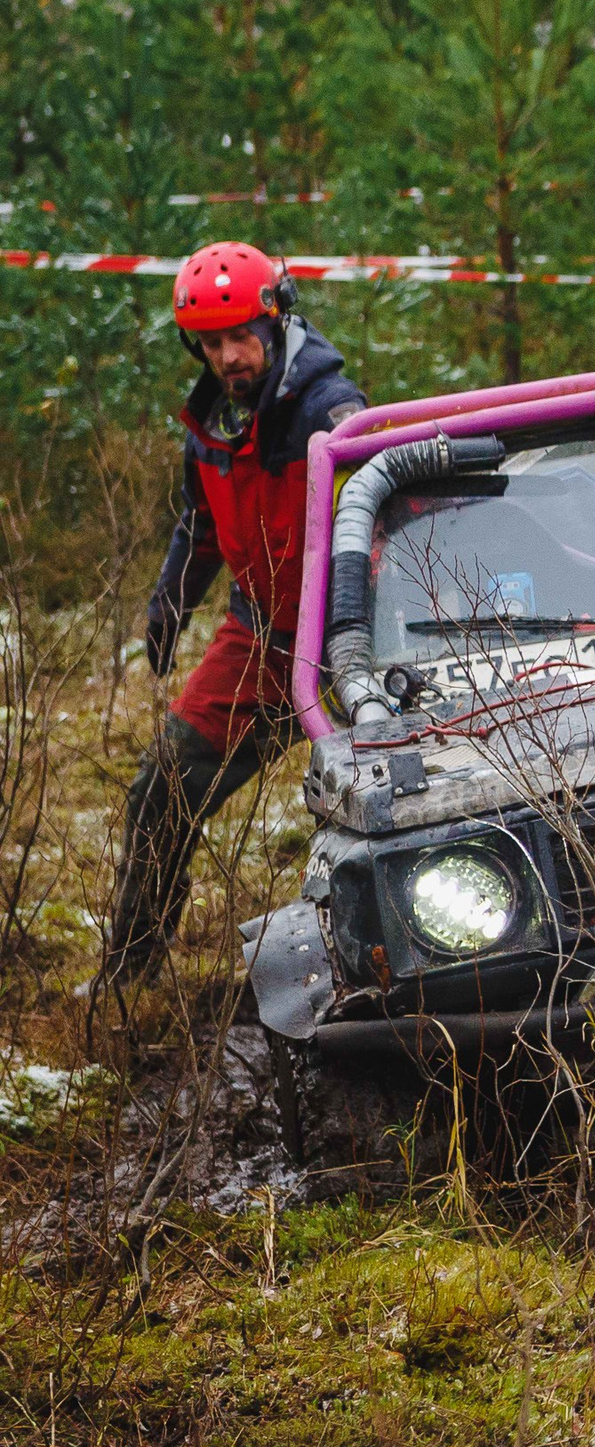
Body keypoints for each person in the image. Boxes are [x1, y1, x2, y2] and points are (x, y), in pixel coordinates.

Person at [99, 243, 365, 989]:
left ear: (275, 319)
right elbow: (202, 528)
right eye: (210, 344)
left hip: (348, 641)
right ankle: (130, 972)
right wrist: (168, 607)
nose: (227, 357)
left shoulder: (331, 414)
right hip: (259, 641)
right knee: (160, 787)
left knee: (396, 798)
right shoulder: (211, 426)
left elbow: (385, 527)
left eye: (239, 336)